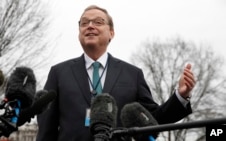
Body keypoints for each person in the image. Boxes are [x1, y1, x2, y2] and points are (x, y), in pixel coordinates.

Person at [36, 5, 196, 141]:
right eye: (84, 23)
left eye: (98, 22)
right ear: (79, 33)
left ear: (111, 33)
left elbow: (152, 120)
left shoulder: (133, 75)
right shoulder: (58, 73)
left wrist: (181, 96)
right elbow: (46, 129)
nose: (90, 25)